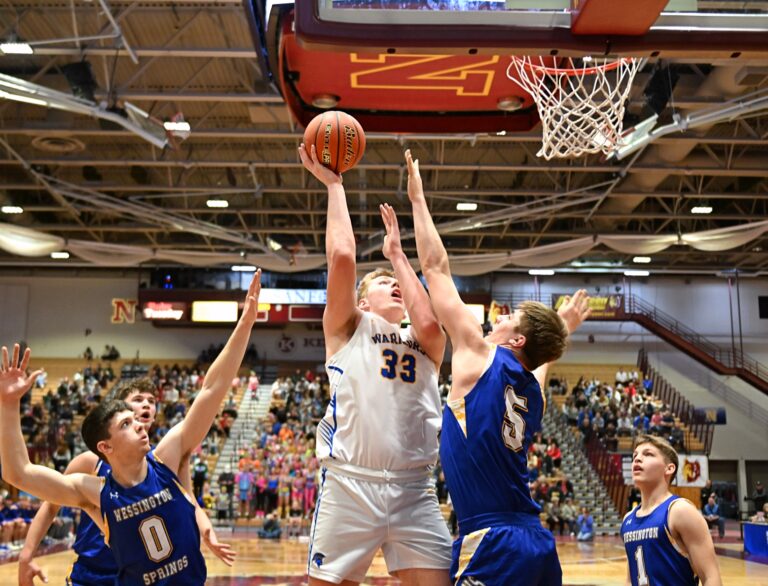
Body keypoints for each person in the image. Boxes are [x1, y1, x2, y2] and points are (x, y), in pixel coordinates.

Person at [0, 270, 261, 586]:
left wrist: (245, 325)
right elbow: (19, 473)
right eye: (127, 423)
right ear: (105, 447)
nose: (140, 425)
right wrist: (9, 405)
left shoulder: (167, 457)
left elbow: (211, 388)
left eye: (138, 420)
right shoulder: (94, 492)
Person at [406, 148, 591, 585]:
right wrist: (562, 327)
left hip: (492, 539)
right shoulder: (531, 390)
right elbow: (539, 367)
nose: (498, 317)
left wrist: (417, 199)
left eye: (507, 318)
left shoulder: (478, 352)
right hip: (533, 539)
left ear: (516, 340)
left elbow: (434, 266)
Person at [299, 143, 452, 586]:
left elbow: (427, 319)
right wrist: (334, 185)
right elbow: (343, 257)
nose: (396, 288)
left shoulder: (424, 342)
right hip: (351, 485)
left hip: (413, 489)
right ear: (364, 300)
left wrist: (398, 258)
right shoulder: (347, 326)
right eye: (386, 284)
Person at [19, 378, 235, 586]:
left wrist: (207, 531)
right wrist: (27, 554)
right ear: (119, 407)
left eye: (151, 401)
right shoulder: (89, 462)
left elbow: (190, 502)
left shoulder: (163, 461)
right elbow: (50, 505)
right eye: (138, 399)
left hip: (137, 572)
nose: (146, 405)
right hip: (93, 570)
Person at [621, 435, 722, 586]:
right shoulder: (628, 519)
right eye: (635, 455)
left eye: (648, 454)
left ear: (669, 468)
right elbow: (630, 580)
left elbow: (711, 577)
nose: (637, 459)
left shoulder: (679, 511)